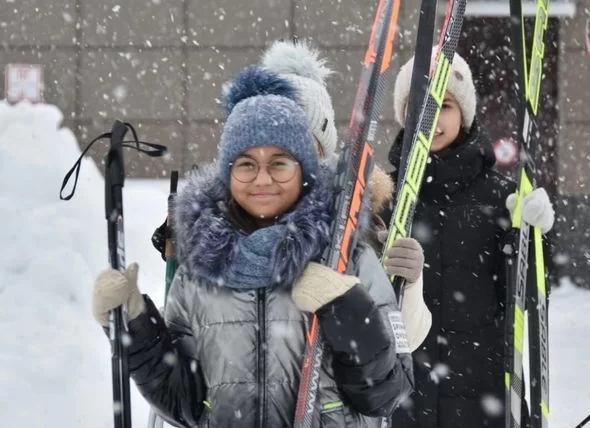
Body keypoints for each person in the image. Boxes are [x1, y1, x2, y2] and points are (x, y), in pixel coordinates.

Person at [91, 65, 413, 427]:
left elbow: (387, 395)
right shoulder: (200, 270)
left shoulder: (347, 256)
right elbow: (184, 403)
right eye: (246, 164)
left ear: (304, 170)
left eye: (279, 163)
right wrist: (135, 327)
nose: (262, 179)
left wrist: (348, 309)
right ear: (228, 173)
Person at [387, 51, 555, 428]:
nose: (432, 118)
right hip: (403, 390)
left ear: (464, 113)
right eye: (421, 105)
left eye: (444, 105)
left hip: (482, 388)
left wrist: (537, 237)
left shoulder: (500, 196)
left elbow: (530, 296)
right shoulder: (386, 197)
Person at [260, 39, 431, 350]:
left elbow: (403, 339)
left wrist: (410, 284)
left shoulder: (355, 220)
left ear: (323, 147)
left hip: (333, 392)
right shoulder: (230, 221)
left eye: (302, 139)